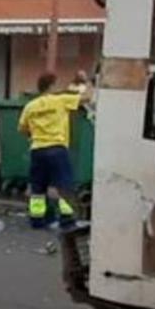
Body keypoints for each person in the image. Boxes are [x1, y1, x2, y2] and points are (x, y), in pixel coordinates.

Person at [18, 72, 93, 229]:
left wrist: (36, 135)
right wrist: (87, 81)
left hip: (37, 150)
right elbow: (88, 97)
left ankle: (37, 220)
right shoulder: (60, 101)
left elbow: (22, 129)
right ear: (51, 85)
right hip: (57, 148)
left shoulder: (30, 106)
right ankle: (66, 220)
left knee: (38, 187)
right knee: (63, 185)